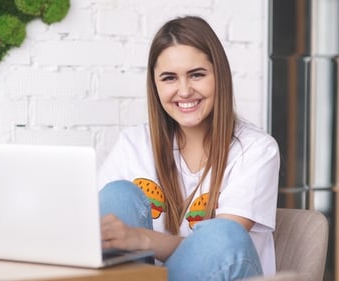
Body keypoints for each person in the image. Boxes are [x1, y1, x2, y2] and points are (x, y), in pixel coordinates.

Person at [97, 15, 280, 281]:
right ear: (155, 85)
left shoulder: (257, 150)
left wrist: (140, 238)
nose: (184, 91)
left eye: (196, 75)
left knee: (222, 234)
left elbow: (220, 252)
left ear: (219, 76)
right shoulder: (133, 143)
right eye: (169, 78)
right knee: (117, 195)